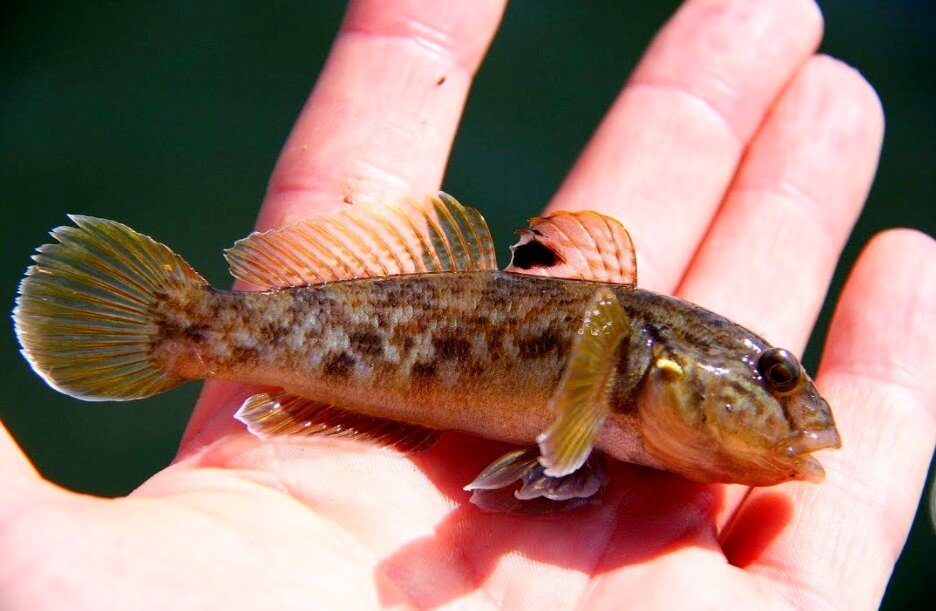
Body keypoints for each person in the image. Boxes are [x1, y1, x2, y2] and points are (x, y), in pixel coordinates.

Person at [1, 1, 933, 608]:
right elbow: (594, 334)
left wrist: (564, 455)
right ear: (662, 361)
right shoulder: (614, 344)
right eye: (771, 375)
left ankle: (200, 330)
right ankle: (185, 328)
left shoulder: (633, 386)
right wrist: (565, 447)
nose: (793, 410)